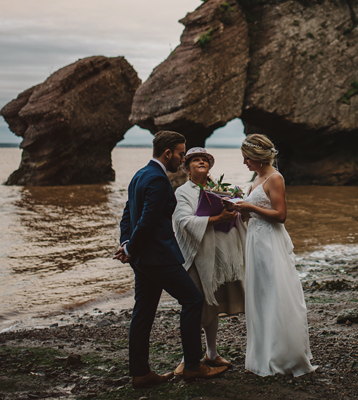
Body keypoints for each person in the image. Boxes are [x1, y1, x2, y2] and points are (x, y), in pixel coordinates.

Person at [115, 131, 227, 388]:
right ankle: (192, 366)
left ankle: (141, 373)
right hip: (159, 258)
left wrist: (127, 245)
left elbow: (127, 215)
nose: (182, 158)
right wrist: (130, 247)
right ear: (168, 153)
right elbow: (146, 221)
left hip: (142, 260)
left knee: (142, 312)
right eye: (180, 153)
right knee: (193, 300)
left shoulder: (139, 175)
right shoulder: (158, 180)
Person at [232, 134, 317, 377]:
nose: (245, 162)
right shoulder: (255, 180)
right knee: (260, 294)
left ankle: (283, 355)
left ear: (257, 157)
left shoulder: (275, 178)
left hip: (270, 241)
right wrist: (238, 209)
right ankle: (262, 353)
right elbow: (250, 216)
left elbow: (280, 215)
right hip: (255, 241)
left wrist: (249, 207)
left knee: (276, 293)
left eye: (246, 158)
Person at [171, 147, 246, 374]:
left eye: (204, 159)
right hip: (195, 255)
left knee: (212, 303)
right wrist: (217, 218)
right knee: (195, 306)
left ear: (210, 166)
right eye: (195, 160)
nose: (201, 162)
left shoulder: (218, 189)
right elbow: (183, 221)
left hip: (217, 256)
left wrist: (234, 210)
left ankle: (211, 353)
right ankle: (188, 357)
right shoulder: (182, 192)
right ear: (186, 167)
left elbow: (237, 214)